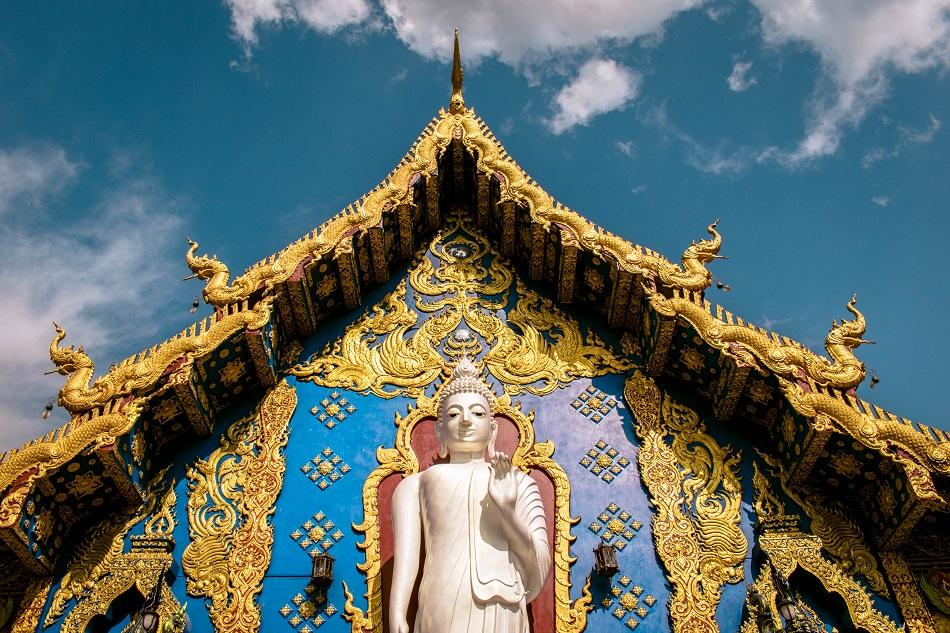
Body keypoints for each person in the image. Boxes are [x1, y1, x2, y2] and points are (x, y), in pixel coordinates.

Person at [389, 357, 551, 633]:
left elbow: (539, 565)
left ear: (493, 429)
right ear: (440, 431)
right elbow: (407, 560)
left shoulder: (518, 483)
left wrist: (507, 511)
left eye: (477, 413)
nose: (465, 420)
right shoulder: (415, 484)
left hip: (503, 603)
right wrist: (397, 616)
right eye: (453, 415)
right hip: (442, 600)